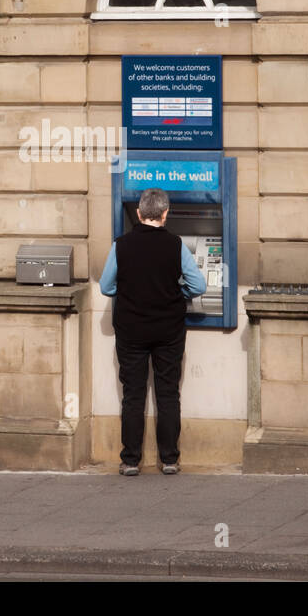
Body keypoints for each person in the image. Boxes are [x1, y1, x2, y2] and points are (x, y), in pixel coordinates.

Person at [98, 187, 207, 476]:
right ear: (165, 213)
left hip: (131, 331)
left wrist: (132, 289)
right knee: (168, 394)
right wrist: (177, 289)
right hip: (168, 331)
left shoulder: (120, 245)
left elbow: (107, 287)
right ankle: (169, 459)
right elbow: (199, 286)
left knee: (133, 395)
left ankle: (131, 460)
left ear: (139, 213)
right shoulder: (176, 245)